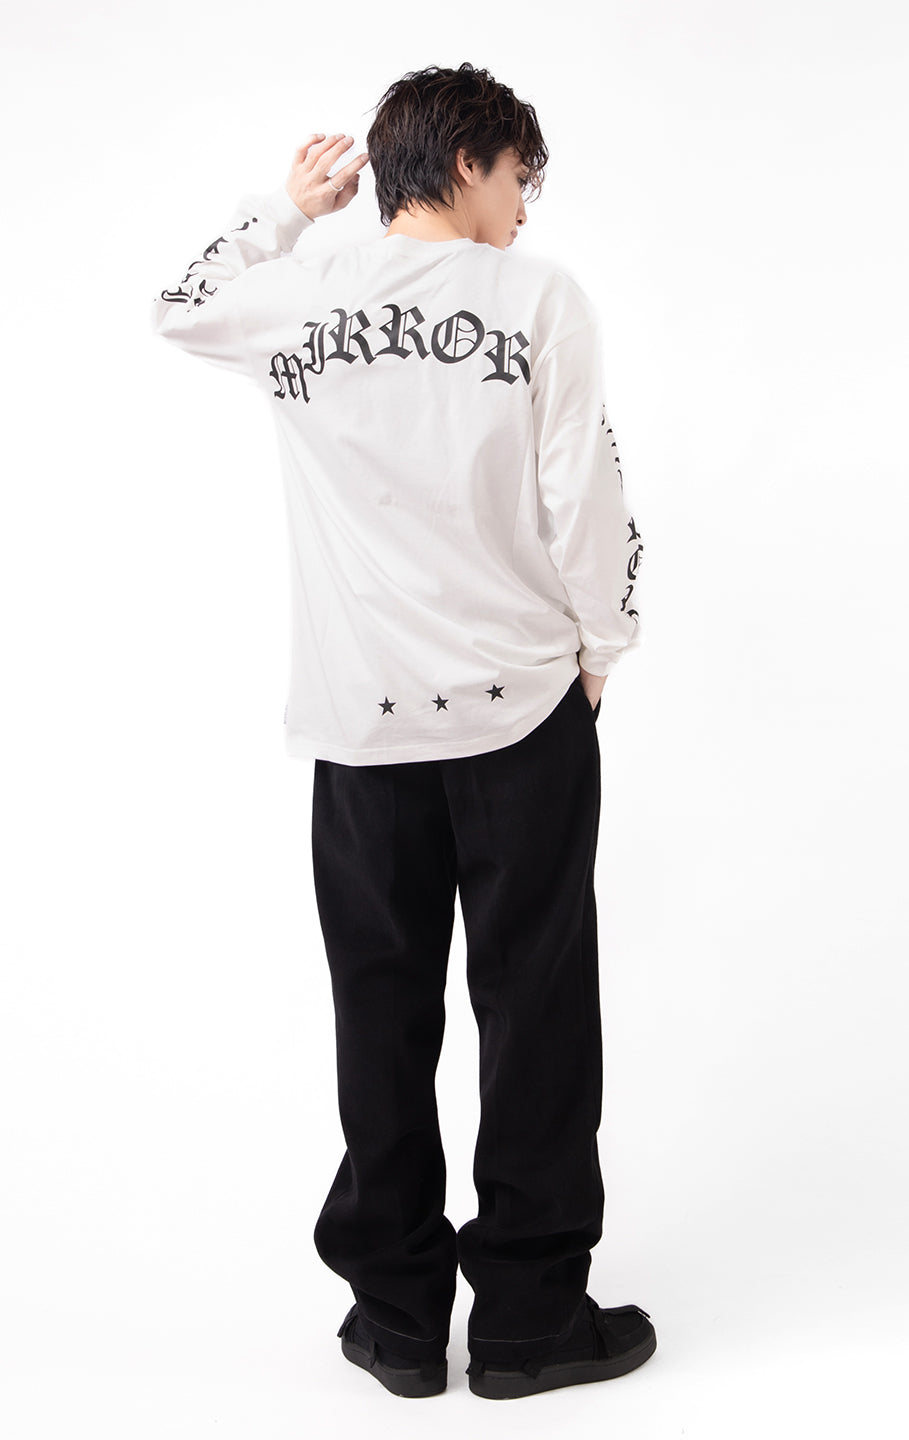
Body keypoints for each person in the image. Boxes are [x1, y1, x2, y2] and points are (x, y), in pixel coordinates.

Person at [149, 60, 652, 1402]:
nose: (523, 211)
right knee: (536, 1011)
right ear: (472, 159)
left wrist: (284, 210)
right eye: (519, 179)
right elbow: (584, 496)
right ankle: (531, 1322)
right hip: (521, 714)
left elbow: (178, 305)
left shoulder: (300, 294)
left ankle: (393, 1319)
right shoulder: (537, 298)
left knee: (380, 1012)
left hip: (360, 728)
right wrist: (603, 649)